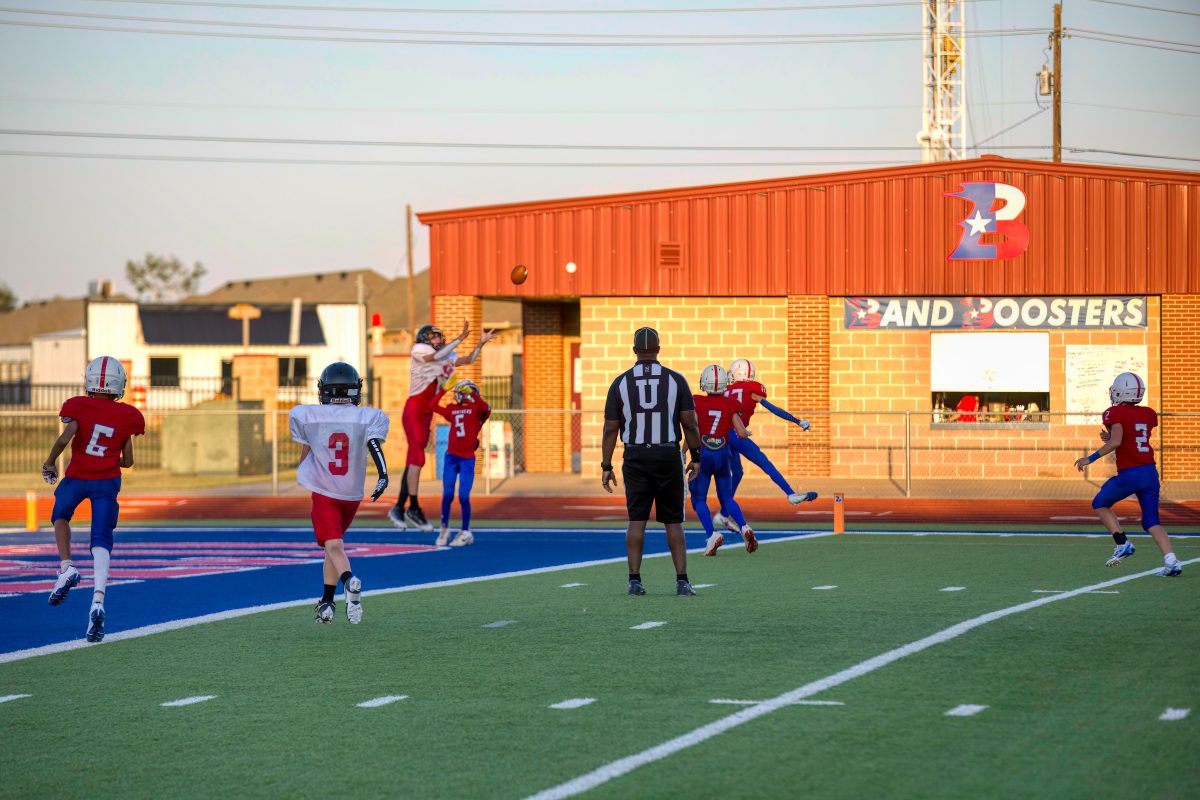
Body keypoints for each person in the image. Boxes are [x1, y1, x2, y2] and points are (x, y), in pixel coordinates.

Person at [41, 356, 145, 643]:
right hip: (107, 481)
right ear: (119, 385)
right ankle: (98, 601)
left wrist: (49, 462)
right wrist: (109, 456)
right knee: (101, 539)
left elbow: (65, 438)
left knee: (60, 516)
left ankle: (66, 567)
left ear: (89, 381)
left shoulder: (78, 406)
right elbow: (128, 461)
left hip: (77, 476)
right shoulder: (127, 415)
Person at [601, 327, 703, 597]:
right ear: (658, 349)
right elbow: (690, 424)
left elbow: (610, 429)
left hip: (635, 456)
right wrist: (696, 456)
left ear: (634, 350)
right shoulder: (676, 380)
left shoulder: (620, 383)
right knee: (673, 521)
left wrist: (606, 465)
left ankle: (634, 580)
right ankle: (682, 581)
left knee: (636, 520)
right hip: (667, 454)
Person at [291, 362, 391, 624]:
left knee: (334, 546)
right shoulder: (367, 417)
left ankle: (349, 582)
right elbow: (373, 445)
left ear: (324, 390)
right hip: (352, 494)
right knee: (332, 547)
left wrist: (306, 472)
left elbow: (305, 456)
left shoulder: (310, 416)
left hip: (325, 491)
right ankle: (327, 601)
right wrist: (383, 474)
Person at [388, 320, 496, 533]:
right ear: (425, 339)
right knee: (417, 457)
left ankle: (400, 507)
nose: (438, 339)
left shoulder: (445, 355)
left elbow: (468, 359)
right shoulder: (420, 350)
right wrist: (460, 338)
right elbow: (432, 358)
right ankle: (413, 507)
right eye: (434, 336)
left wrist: (481, 343)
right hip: (415, 409)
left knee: (414, 460)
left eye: (439, 336)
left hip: (427, 412)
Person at [1074, 371, 1181, 577]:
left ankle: (1122, 543)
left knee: (1100, 503)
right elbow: (1130, 437)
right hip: (1150, 472)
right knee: (1151, 522)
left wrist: (1090, 458)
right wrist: (1112, 438)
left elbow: (1117, 441)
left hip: (1131, 473)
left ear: (1121, 392)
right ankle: (1172, 561)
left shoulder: (1115, 413)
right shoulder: (1148, 413)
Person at [712, 357, 817, 535]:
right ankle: (790, 493)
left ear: (737, 373)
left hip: (721, 435)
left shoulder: (725, 390)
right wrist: (797, 421)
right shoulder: (752, 389)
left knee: (737, 472)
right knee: (764, 462)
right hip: (736, 434)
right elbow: (774, 409)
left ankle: (723, 514)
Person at [689, 364, 755, 556]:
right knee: (726, 498)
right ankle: (744, 526)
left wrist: (686, 453)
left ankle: (711, 535)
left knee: (698, 498)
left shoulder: (697, 402)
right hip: (723, 454)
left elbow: (693, 430)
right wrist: (746, 432)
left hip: (704, 454)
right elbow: (741, 433)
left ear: (704, 383)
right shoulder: (730, 403)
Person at [431, 379, 491, 547]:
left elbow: (487, 408)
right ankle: (444, 528)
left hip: (466, 459)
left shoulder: (477, 409)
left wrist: (471, 393)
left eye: (462, 392)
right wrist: (444, 389)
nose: (459, 394)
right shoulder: (453, 409)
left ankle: (466, 531)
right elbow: (432, 405)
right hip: (451, 457)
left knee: (464, 496)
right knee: (447, 495)